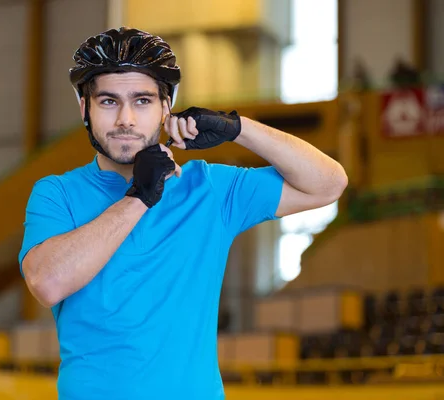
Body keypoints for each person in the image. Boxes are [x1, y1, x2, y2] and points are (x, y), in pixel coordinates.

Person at [19, 27, 348, 400]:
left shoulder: (208, 188)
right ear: (85, 109)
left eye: (142, 101)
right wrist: (139, 198)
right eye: (109, 102)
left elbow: (328, 183)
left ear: (166, 107)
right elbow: (47, 282)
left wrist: (236, 129)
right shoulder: (56, 193)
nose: (126, 118)